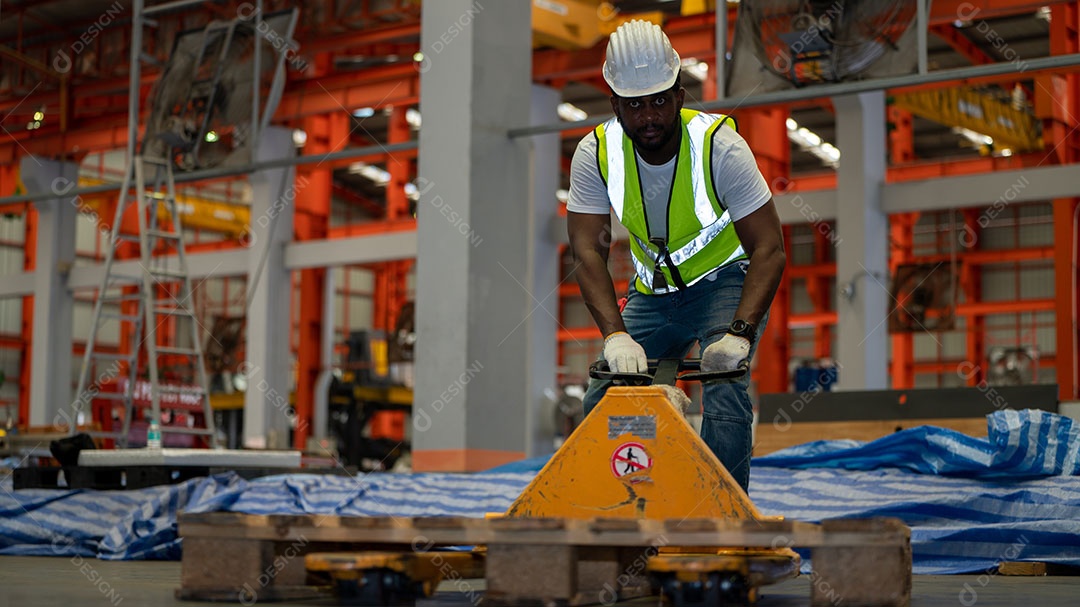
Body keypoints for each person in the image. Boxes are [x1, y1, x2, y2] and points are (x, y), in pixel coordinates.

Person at [566, 20, 786, 493]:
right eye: (634, 104)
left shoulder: (720, 148)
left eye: (659, 101)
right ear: (615, 105)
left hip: (724, 284)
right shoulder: (595, 153)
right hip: (652, 295)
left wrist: (740, 335)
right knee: (606, 392)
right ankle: (631, 502)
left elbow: (769, 248)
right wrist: (615, 337)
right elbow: (587, 250)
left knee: (724, 384)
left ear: (680, 96)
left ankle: (723, 514)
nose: (649, 116)